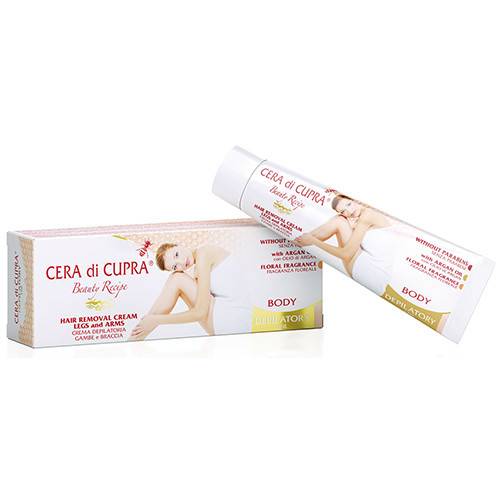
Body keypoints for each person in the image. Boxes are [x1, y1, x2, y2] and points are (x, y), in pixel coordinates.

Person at [130, 242, 250, 340]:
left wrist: (156, 320)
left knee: (177, 278)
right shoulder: (197, 268)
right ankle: (138, 334)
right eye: (175, 267)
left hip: (234, 319)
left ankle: (137, 335)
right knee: (176, 278)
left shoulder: (204, 253)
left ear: (179, 245)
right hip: (230, 322)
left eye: (176, 255)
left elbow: (200, 313)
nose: (181, 263)